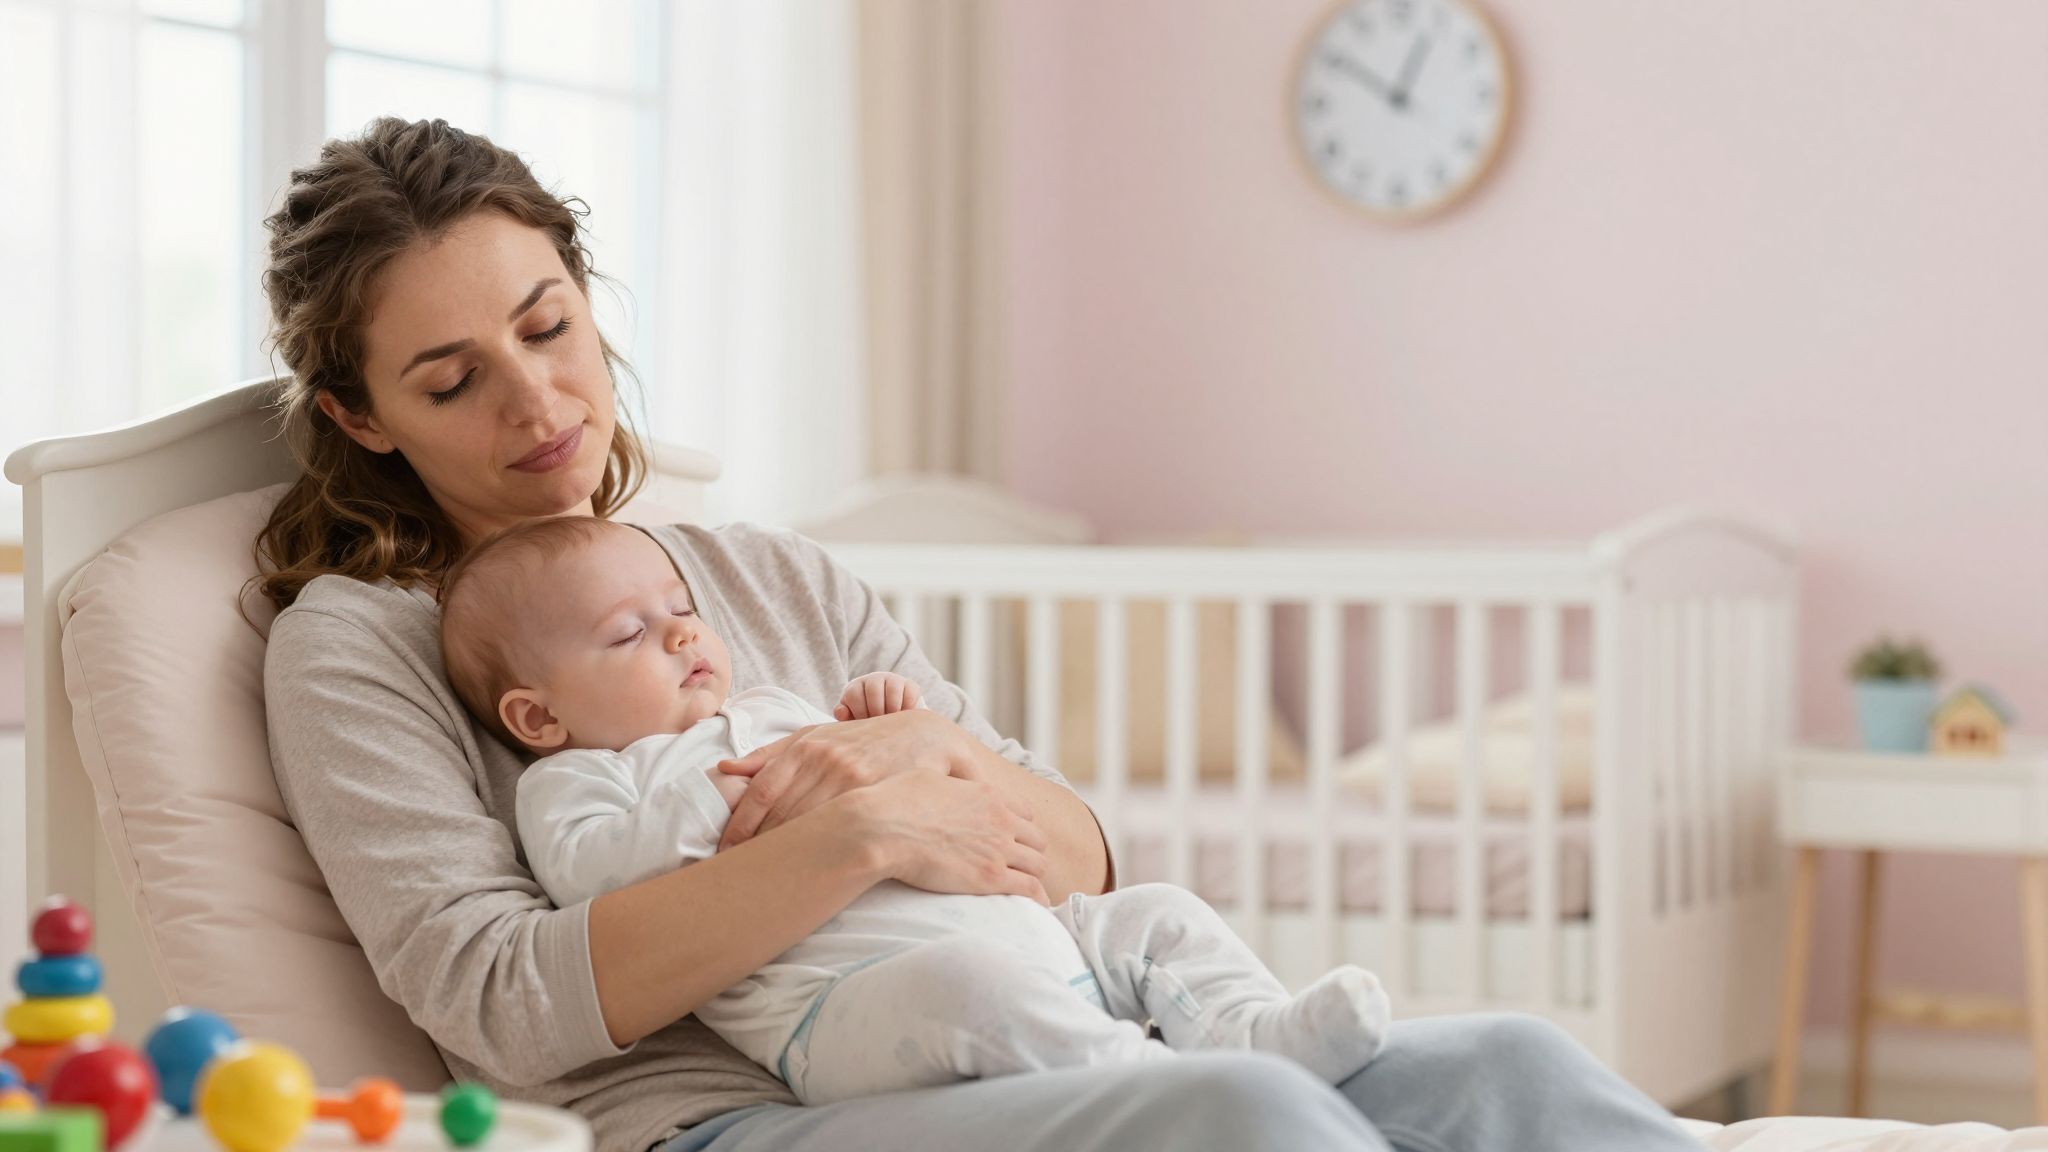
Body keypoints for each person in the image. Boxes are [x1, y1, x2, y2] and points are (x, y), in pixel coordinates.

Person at [257, 116, 1706, 1152]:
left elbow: (1079, 854)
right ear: (362, 418)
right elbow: (501, 1002)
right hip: (727, 1116)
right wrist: (865, 835)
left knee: (1513, 1064)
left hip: (1042, 1029)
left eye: (550, 325)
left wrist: (936, 759)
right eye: (453, 382)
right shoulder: (364, 650)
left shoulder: (777, 576)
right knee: (1240, 1111)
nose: (538, 402)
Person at [436, 515, 1392, 1105]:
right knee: (972, 990)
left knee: (1156, 914)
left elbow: (910, 785)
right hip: (848, 1014)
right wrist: (749, 797)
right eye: (630, 633)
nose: (684, 630)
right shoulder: (579, 782)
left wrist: (886, 729)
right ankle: (1167, 1091)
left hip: (1031, 937)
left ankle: (1254, 1033)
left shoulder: (766, 711)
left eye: (681, 606)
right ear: (540, 715)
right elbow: (598, 875)